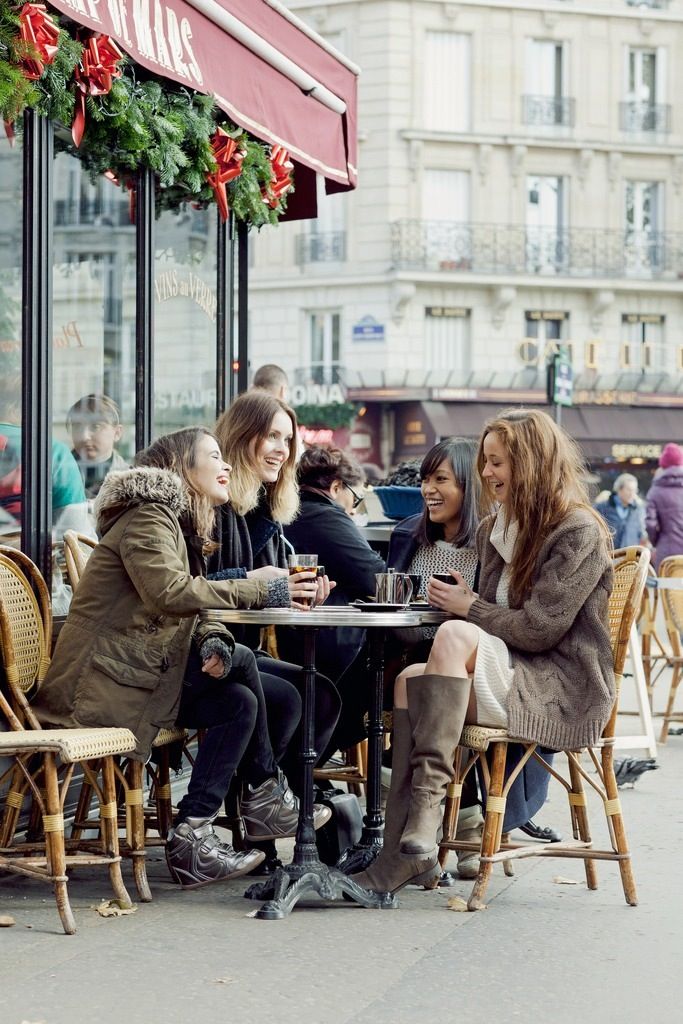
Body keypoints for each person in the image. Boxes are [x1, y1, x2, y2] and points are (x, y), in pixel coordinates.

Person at [32, 427, 330, 890]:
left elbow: (194, 610)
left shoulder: (178, 523)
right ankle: (263, 795)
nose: (226, 464)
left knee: (244, 701)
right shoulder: (148, 517)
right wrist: (262, 588)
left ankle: (194, 834)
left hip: (141, 672)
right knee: (250, 670)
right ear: (183, 469)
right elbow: (170, 594)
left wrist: (214, 642)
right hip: (101, 687)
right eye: (214, 456)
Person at [351, 408, 614, 895]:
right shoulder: (499, 528)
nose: (486, 473)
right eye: (486, 462)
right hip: (512, 670)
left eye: (497, 463)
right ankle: (399, 856)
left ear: (531, 463)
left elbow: (539, 630)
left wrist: (467, 606)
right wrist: (465, 605)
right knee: (411, 678)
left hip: (559, 684)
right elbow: (496, 615)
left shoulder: (577, 530)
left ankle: (426, 823)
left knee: (452, 637)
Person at [211, 392, 342, 871]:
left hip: (237, 649)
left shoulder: (262, 510)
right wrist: (262, 586)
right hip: (204, 653)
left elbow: (265, 592)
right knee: (285, 697)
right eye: (271, 436)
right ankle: (266, 819)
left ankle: (275, 805)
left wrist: (296, 592)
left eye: (287, 440)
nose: (282, 450)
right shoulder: (214, 503)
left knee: (320, 692)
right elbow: (190, 588)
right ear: (242, 436)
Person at [66, 393, 129, 499]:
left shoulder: (130, 480)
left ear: (117, 433)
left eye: (96, 427)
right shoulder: (55, 473)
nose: (84, 436)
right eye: (77, 426)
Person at [645, 442, 683, 568]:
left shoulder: (655, 490)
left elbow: (651, 524)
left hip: (667, 550)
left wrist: (656, 541)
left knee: (665, 586)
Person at [594, 473, 647, 548]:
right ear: (619, 489)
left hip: (630, 556)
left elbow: (642, 533)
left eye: (634, 490)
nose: (632, 493)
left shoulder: (638, 509)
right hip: (609, 555)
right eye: (629, 490)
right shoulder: (602, 507)